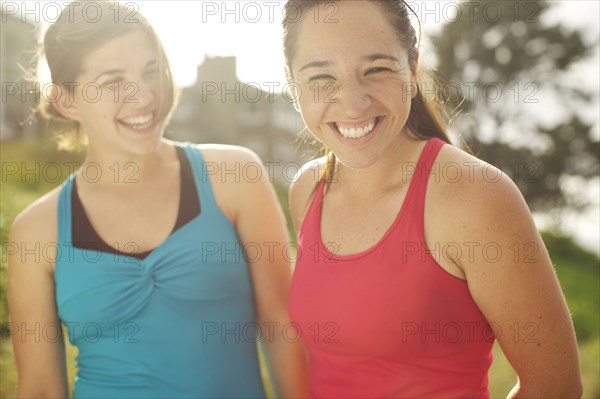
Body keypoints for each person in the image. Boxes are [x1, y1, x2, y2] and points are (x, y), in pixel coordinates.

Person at [7, 1, 308, 398]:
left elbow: (284, 330)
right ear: (66, 100)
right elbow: (41, 389)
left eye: (152, 71)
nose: (144, 95)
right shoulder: (36, 231)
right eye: (114, 81)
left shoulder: (235, 177)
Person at [283, 1, 582, 398]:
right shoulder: (307, 189)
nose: (353, 103)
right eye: (322, 77)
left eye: (376, 69)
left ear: (411, 67)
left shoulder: (475, 197)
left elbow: (555, 386)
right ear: (291, 84)